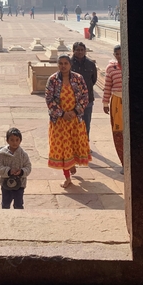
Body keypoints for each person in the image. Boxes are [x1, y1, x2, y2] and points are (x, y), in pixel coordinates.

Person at [45, 54, 91, 188]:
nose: (63, 66)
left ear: (70, 65)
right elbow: (49, 99)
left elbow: (85, 96)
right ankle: (67, 177)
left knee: (74, 145)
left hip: (75, 120)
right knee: (63, 149)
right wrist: (62, 113)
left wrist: (75, 112)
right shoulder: (52, 80)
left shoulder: (78, 78)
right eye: (60, 63)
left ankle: (71, 165)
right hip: (59, 122)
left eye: (65, 63)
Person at [0, 127, 32, 210]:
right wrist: (8, 171)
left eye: (17, 140)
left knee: (19, 204)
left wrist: (22, 172)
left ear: (20, 141)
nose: (14, 142)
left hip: (20, 184)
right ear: (7, 141)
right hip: (5, 184)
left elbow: (28, 167)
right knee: (5, 203)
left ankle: (19, 217)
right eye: (11, 140)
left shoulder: (23, 155)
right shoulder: (2, 154)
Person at [103, 45, 124, 172]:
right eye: (117, 53)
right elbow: (107, 86)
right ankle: (124, 162)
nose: (119, 56)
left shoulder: (131, 64)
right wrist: (105, 103)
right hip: (117, 101)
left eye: (121, 53)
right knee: (119, 133)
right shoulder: (111, 68)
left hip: (130, 101)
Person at [71, 42, 97, 138]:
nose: (80, 52)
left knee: (86, 123)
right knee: (73, 124)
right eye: (77, 50)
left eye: (82, 50)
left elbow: (93, 80)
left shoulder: (90, 64)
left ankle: (85, 145)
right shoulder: (69, 63)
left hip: (87, 99)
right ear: (73, 51)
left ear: (85, 51)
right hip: (72, 100)